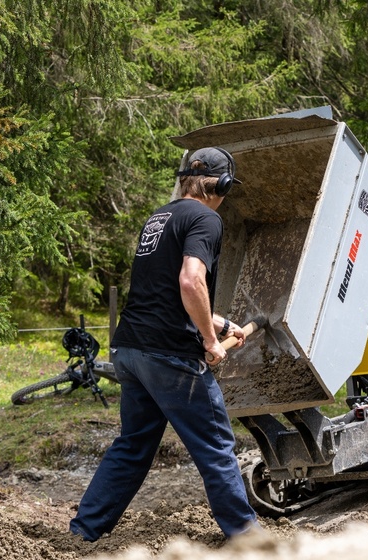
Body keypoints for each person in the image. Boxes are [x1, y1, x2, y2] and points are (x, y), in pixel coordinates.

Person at [70, 147, 259, 541]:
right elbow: (190, 281)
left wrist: (223, 323)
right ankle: (248, 538)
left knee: (133, 445)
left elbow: (164, 291)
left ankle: (84, 530)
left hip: (131, 349)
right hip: (170, 356)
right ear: (221, 185)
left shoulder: (159, 217)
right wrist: (210, 340)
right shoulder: (207, 218)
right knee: (215, 446)